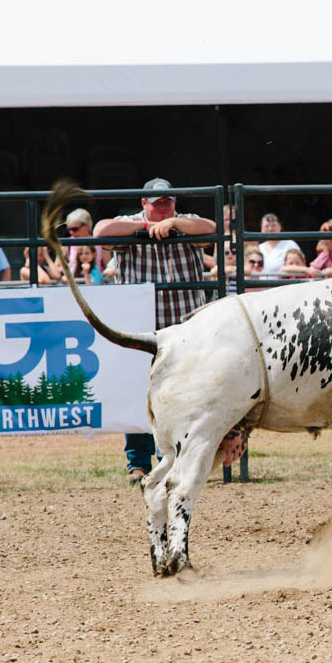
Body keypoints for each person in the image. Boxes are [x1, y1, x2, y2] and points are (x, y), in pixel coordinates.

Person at [93, 177, 216, 486]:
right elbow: (101, 232)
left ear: (175, 203)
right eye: (157, 202)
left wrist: (174, 222)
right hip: (142, 325)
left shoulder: (185, 222)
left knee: (182, 391)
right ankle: (138, 462)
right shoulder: (129, 223)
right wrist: (145, 229)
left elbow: (210, 228)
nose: (163, 206)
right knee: (139, 391)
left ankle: (171, 458)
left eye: (168, 202)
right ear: (144, 204)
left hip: (183, 323)